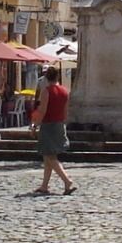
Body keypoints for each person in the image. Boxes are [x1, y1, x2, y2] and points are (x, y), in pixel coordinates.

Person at [31, 65, 76, 195]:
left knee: (49, 156)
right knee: (49, 156)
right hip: (59, 124)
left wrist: (35, 125)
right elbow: (66, 111)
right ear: (58, 77)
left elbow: (42, 110)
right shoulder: (65, 91)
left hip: (48, 125)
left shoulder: (47, 91)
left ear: (46, 77)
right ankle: (44, 186)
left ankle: (67, 180)